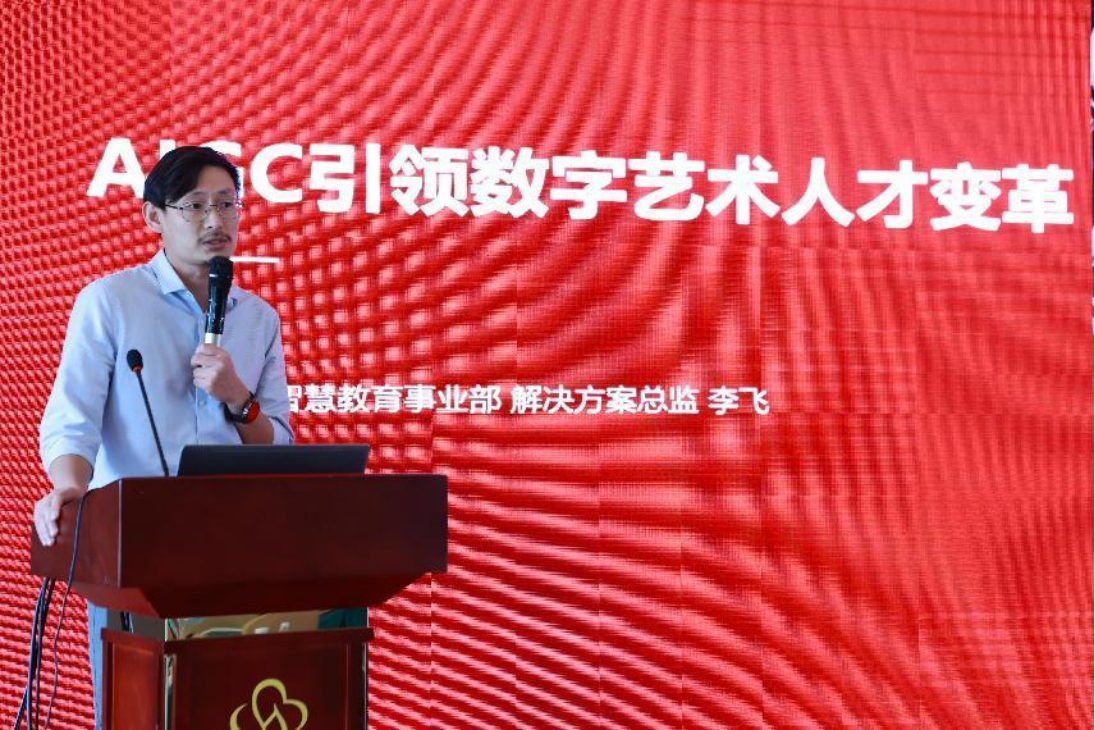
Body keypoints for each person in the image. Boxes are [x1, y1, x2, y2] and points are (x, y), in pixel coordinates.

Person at [33, 146, 293, 726]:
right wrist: (70, 487)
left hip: (236, 546)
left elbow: (279, 445)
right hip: (136, 547)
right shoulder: (111, 302)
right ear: (154, 216)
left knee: (230, 705)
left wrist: (237, 397)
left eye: (227, 204)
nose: (215, 220)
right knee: (139, 709)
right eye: (195, 206)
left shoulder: (258, 318)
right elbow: (72, 418)